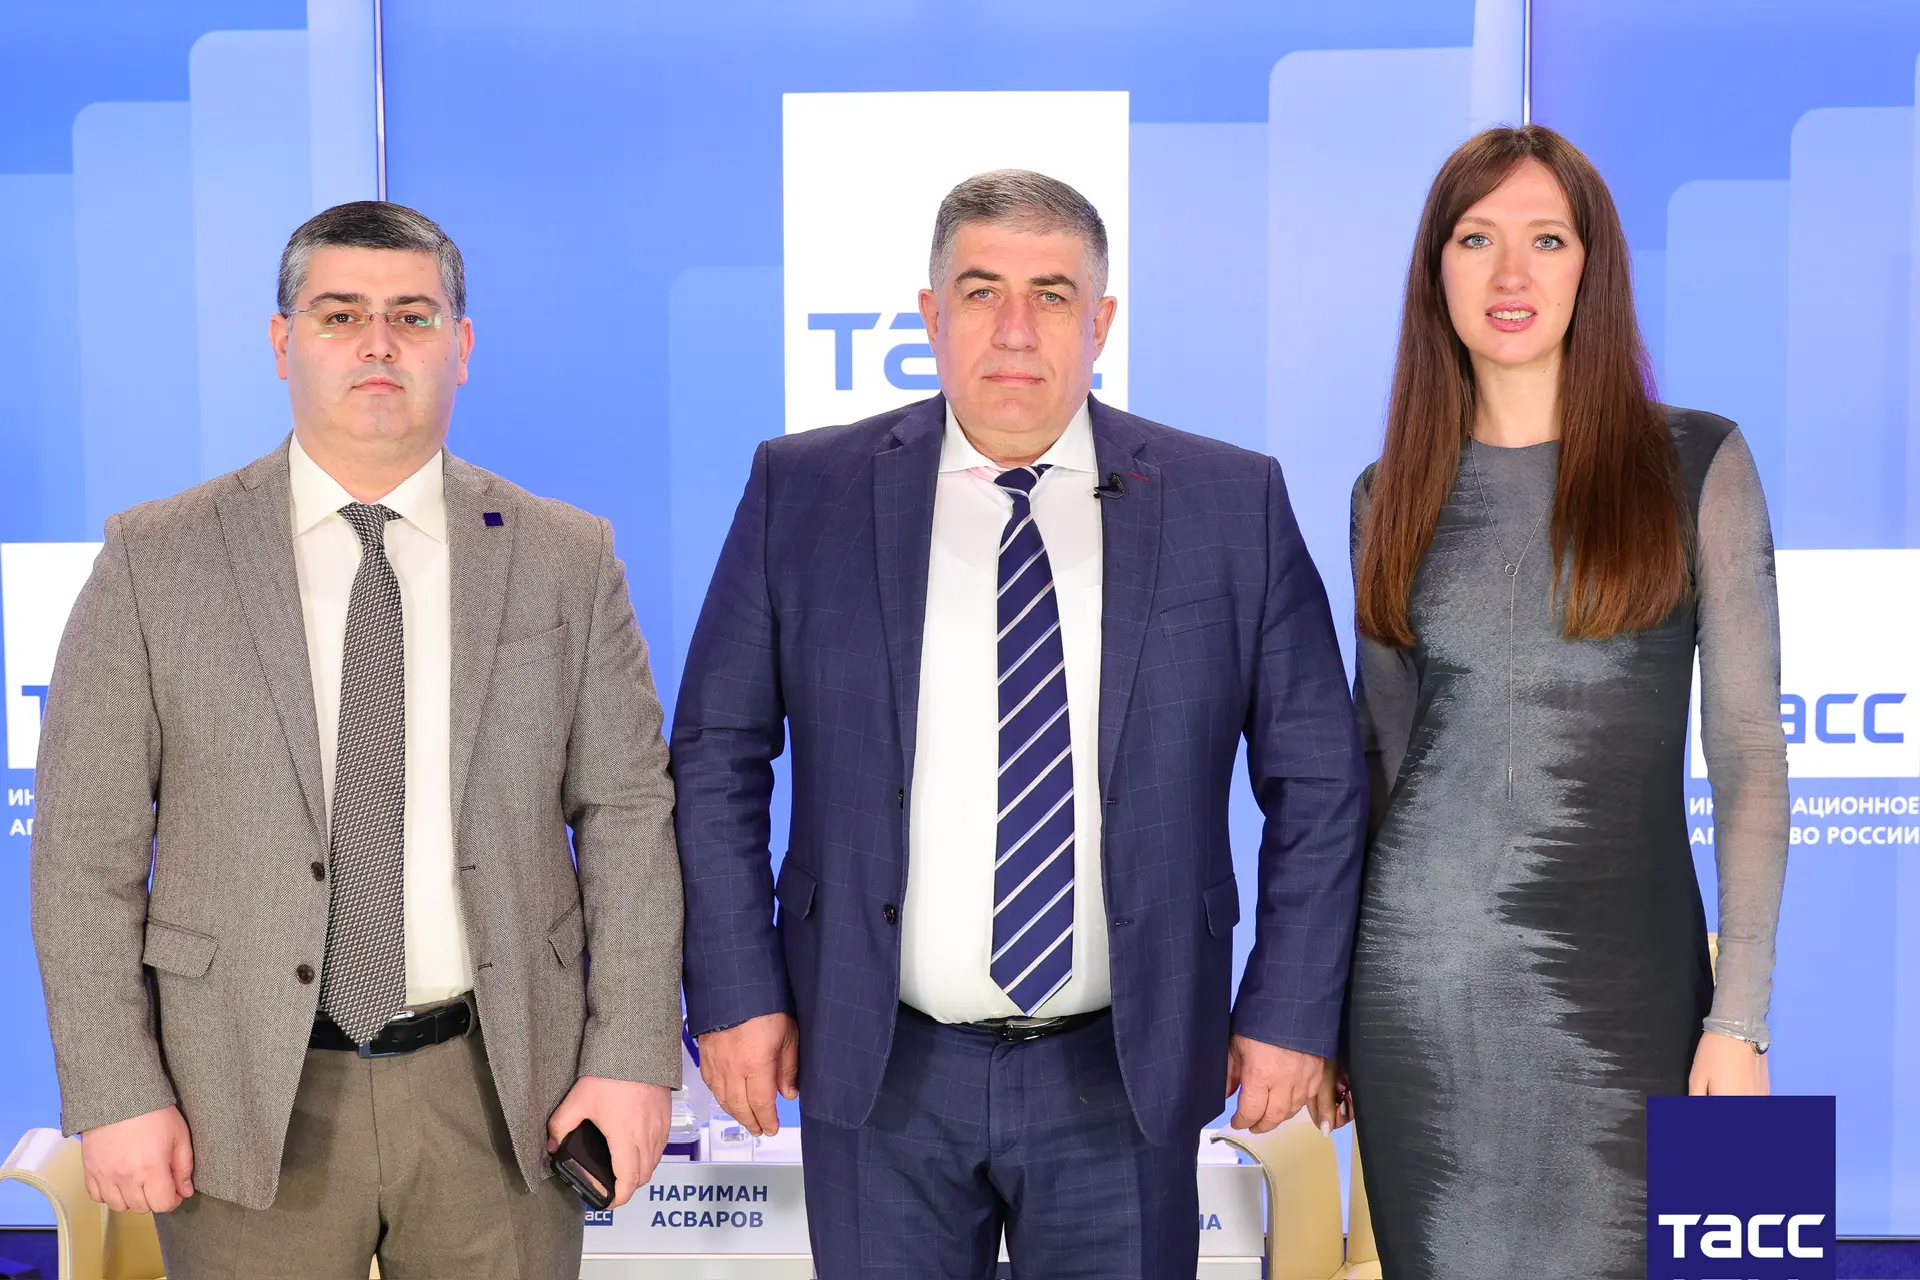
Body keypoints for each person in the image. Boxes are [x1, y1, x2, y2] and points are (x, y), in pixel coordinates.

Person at [672, 168, 1367, 1277]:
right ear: (929, 314)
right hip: (878, 1061)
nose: (1013, 328)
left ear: (1101, 320)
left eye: (1051, 294)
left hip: (1125, 1068)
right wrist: (736, 989)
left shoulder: (1230, 501)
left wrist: (1289, 1008)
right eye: (981, 291)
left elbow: (1319, 782)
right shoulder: (802, 490)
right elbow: (717, 754)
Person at [30, 201, 684, 1278]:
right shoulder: (156, 557)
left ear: (460, 347)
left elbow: (628, 816)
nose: (378, 344)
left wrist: (631, 1055)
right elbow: (82, 850)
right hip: (238, 1096)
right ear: (281, 340)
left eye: (412, 317)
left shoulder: (564, 556)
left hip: (500, 1094)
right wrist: (115, 1087)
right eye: (340, 315)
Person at [1343, 125, 1789, 1279]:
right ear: (1434, 269)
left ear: (1594, 266)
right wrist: (1329, 1005)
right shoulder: (1387, 494)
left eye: (1546, 239)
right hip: (1418, 1001)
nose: (1511, 273)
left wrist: (1739, 1019)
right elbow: (1379, 767)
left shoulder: (1697, 461)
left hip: (1632, 992)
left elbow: (1748, 755)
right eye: (1475, 238)